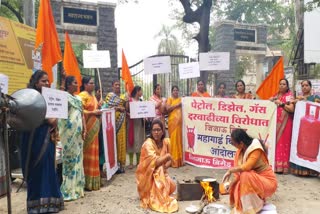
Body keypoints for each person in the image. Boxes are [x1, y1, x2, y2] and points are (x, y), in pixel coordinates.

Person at [21, 70, 64, 213]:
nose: (47, 83)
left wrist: (55, 119)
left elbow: (55, 114)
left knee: (48, 168)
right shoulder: (29, 97)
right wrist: (47, 119)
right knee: (37, 170)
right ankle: (36, 206)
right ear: (35, 82)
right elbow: (28, 113)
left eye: (48, 81)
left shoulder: (50, 96)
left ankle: (50, 204)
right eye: (43, 81)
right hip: (34, 139)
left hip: (48, 138)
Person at [222, 129, 277, 214]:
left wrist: (230, 171)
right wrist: (231, 185)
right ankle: (249, 205)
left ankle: (251, 209)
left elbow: (247, 167)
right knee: (237, 186)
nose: (232, 145)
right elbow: (237, 175)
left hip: (267, 182)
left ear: (241, 143)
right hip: (253, 180)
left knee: (245, 175)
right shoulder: (239, 152)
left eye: (233, 143)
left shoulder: (255, 149)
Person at [136, 119, 178, 213]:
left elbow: (171, 162)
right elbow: (154, 162)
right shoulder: (148, 144)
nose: (156, 132)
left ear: (163, 131)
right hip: (147, 177)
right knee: (158, 170)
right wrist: (167, 157)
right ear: (151, 131)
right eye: (154, 130)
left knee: (172, 186)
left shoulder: (166, 142)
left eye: (158, 130)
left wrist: (165, 166)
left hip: (162, 174)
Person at [58, 75, 86, 200]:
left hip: (79, 135)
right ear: (69, 85)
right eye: (75, 82)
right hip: (68, 135)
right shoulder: (64, 98)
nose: (77, 84)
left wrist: (84, 129)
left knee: (78, 158)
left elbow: (82, 115)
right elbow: (60, 116)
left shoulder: (79, 99)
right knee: (69, 160)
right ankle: (68, 190)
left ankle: (78, 188)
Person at [290, 80, 319, 176]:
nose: (304, 87)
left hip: (313, 128)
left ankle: (312, 171)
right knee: (302, 146)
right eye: (303, 86)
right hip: (303, 128)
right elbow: (292, 107)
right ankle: (301, 170)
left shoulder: (315, 98)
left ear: (310, 87)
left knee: (311, 148)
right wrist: (298, 101)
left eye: (306, 85)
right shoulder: (299, 99)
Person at [78, 76, 102, 190]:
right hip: (87, 128)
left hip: (95, 129)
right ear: (85, 84)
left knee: (94, 153)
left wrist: (99, 107)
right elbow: (79, 110)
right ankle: (86, 182)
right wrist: (93, 112)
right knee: (87, 155)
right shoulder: (82, 95)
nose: (93, 85)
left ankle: (94, 181)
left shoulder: (93, 96)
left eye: (93, 83)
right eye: (91, 83)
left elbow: (96, 109)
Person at [269, 78, 294, 174]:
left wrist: (282, 104)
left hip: (286, 124)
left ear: (287, 86)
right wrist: (270, 100)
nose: (282, 86)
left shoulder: (289, 96)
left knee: (283, 143)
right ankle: (276, 166)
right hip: (276, 125)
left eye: (284, 84)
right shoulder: (276, 95)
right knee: (277, 143)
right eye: (280, 84)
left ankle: (283, 167)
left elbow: (291, 109)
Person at [105, 80, 127, 173]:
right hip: (112, 122)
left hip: (121, 122)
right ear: (112, 86)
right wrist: (118, 108)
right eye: (116, 85)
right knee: (113, 142)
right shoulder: (109, 96)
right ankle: (114, 165)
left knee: (121, 141)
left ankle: (121, 165)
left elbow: (126, 108)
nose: (118, 86)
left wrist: (127, 101)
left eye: (119, 85)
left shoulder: (123, 97)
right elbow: (106, 107)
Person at [126, 86, 145, 169]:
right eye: (141, 91)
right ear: (137, 91)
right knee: (131, 141)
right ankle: (130, 162)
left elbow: (144, 111)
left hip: (139, 124)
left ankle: (138, 162)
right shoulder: (129, 100)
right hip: (131, 123)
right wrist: (129, 114)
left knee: (139, 141)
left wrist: (145, 116)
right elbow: (126, 111)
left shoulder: (141, 101)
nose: (142, 92)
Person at [166, 85, 183, 168]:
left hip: (179, 124)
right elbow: (167, 109)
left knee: (179, 141)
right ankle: (173, 161)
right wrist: (177, 105)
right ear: (172, 92)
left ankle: (180, 161)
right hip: (172, 123)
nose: (175, 92)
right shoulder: (170, 99)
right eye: (174, 90)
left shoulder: (181, 100)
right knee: (173, 141)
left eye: (177, 90)